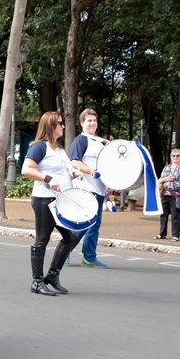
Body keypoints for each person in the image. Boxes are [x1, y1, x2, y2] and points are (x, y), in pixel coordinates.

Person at [21, 111, 79, 296]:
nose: (63, 126)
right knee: (42, 240)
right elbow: (26, 169)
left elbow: (66, 169)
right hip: (44, 199)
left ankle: (53, 275)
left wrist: (74, 173)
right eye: (60, 123)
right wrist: (48, 178)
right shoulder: (39, 147)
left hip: (61, 200)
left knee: (70, 238)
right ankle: (37, 282)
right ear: (50, 126)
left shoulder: (59, 150)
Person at [68, 108, 109, 268]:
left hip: (99, 189)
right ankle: (64, 250)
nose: (93, 123)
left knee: (94, 225)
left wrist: (108, 184)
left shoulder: (100, 142)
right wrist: (91, 171)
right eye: (89, 120)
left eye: (94, 120)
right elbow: (74, 161)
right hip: (85, 188)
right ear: (82, 123)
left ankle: (89, 257)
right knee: (85, 223)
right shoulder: (80, 140)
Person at [155, 148, 180, 242]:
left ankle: (175, 235)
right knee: (163, 215)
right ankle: (162, 233)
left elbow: (174, 177)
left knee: (175, 216)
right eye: (173, 156)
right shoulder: (167, 167)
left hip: (175, 195)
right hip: (165, 193)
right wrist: (157, 189)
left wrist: (162, 180)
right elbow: (161, 179)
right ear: (171, 157)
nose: (175, 157)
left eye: (177, 156)